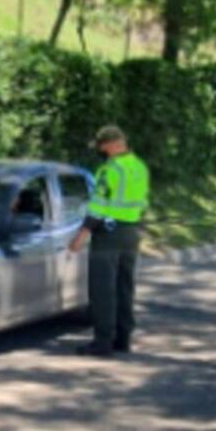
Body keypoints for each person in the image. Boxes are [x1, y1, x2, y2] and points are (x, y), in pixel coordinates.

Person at [68, 125, 150, 357]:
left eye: (102, 146)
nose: (101, 151)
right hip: (131, 234)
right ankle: (123, 339)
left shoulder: (109, 169)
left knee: (103, 289)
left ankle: (102, 342)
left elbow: (98, 206)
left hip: (108, 235)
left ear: (113, 144)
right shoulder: (139, 167)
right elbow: (142, 203)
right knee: (125, 287)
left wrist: (81, 236)